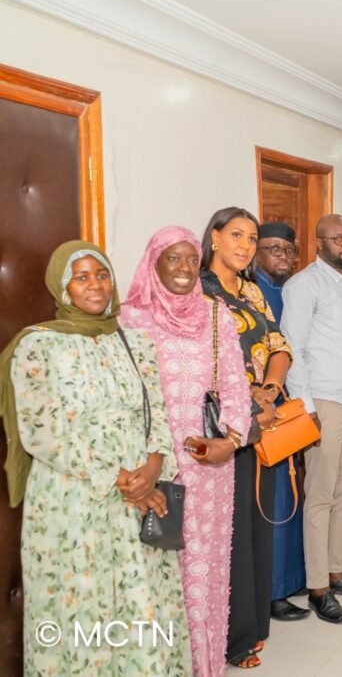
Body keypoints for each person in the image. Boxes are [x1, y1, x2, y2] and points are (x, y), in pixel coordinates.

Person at [1, 241, 192, 675]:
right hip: (75, 497)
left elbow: (155, 411)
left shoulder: (135, 341)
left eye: (102, 274)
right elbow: (41, 431)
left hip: (140, 493)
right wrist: (121, 479)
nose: (95, 285)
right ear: (62, 285)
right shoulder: (38, 346)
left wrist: (153, 467)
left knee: (141, 601)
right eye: (81, 276)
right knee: (84, 603)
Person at [120, 227, 253, 676]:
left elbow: (234, 385)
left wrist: (230, 442)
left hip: (208, 463)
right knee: (156, 564)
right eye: (172, 259)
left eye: (191, 260)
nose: (183, 269)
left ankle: (204, 664)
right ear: (153, 262)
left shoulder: (216, 314)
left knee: (204, 571)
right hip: (151, 467)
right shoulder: (131, 319)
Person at [200, 207, 291, 668]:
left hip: (262, 419)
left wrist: (269, 390)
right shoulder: (198, 291)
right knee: (228, 532)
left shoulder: (252, 290)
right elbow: (202, 362)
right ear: (214, 237)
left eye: (252, 238)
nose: (245, 246)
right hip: (222, 426)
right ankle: (229, 639)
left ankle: (251, 629)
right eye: (236, 235)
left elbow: (279, 346)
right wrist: (244, 398)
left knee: (256, 524)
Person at [280, 214, 342, 625]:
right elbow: (293, 348)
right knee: (320, 497)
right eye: (338, 239)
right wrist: (307, 408)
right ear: (318, 243)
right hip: (325, 404)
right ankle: (318, 588)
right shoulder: (303, 285)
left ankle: (337, 572)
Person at [253, 222, 309, 623]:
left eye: (288, 250)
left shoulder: (291, 290)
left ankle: (292, 578)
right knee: (273, 500)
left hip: (293, 407)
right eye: (273, 249)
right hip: (264, 410)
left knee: (292, 494)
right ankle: (272, 591)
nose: (283, 256)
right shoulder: (250, 294)